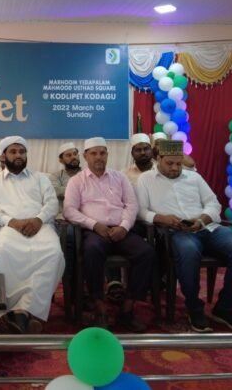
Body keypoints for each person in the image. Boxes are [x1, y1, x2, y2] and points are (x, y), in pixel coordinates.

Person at [136, 140, 232, 333]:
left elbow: (213, 204)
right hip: (175, 231)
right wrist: (162, 218)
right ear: (158, 159)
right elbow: (141, 211)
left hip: (206, 227)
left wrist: (202, 220)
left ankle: (224, 308)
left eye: (178, 163)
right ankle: (194, 308)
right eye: (169, 163)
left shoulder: (194, 177)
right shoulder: (146, 179)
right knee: (188, 250)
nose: (175, 168)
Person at [64, 137, 154, 332]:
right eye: (94, 153)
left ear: (107, 155)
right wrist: (94, 225)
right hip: (94, 232)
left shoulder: (119, 177)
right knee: (92, 250)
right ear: (86, 156)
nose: (99, 157)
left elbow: (131, 205)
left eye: (102, 153)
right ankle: (100, 308)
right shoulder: (76, 181)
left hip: (121, 230)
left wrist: (124, 227)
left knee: (146, 252)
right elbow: (69, 210)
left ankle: (127, 309)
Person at [0, 136, 64, 333]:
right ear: (4, 156)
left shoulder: (40, 178)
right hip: (9, 228)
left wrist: (38, 219)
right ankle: (14, 310)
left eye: (22, 152)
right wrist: (11, 221)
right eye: (13, 152)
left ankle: (23, 313)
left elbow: (52, 203)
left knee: (54, 253)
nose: (18, 155)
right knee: (3, 252)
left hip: (41, 227)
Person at [48, 142, 82, 212]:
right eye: (68, 155)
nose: (73, 157)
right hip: (62, 215)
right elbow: (55, 191)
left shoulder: (87, 175)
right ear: (61, 160)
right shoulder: (56, 176)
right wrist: (81, 191)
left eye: (75, 154)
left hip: (84, 213)